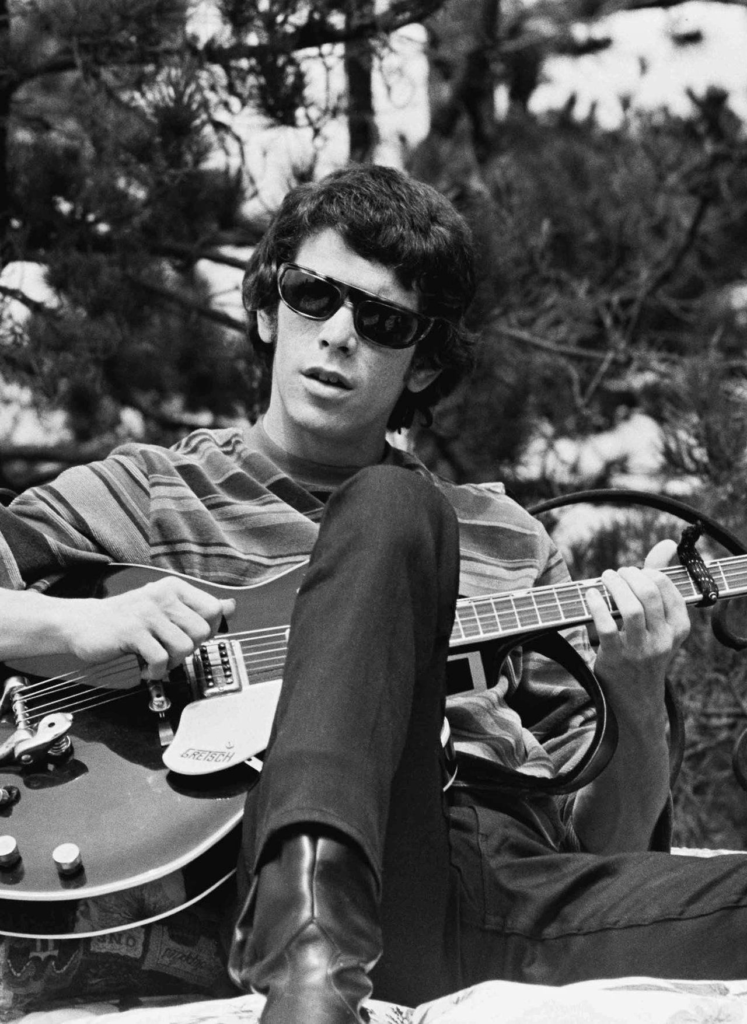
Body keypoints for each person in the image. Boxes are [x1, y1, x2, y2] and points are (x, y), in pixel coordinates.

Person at [0, 165, 746, 1024]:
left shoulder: (504, 535)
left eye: (383, 321)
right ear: (265, 307)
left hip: (500, 891)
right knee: (392, 509)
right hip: (263, 874)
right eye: (314, 295)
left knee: (403, 508)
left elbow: (601, 847)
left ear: (422, 366)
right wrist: (83, 622)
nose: (340, 334)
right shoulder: (146, 492)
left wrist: (634, 684)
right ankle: (308, 963)